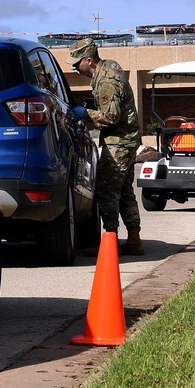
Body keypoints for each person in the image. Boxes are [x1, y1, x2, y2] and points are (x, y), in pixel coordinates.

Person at [67, 37, 144, 256]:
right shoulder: (108, 68)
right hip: (126, 140)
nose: (75, 68)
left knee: (106, 190)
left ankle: (110, 241)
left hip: (119, 142)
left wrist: (86, 113)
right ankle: (134, 240)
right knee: (125, 192)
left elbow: (111, 116)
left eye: (77, 63)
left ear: (89, 60)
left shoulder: (106, 80)